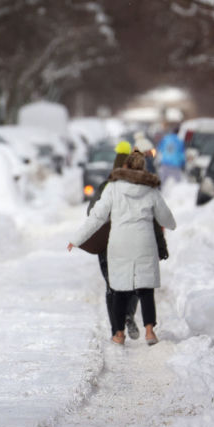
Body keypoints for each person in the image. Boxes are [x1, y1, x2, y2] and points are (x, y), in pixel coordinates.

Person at [67, 150, 176, 346]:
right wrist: (172, 224)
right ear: (142, 167)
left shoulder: (113, 188)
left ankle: (118, 334)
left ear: (125, 167)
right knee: (145, 289)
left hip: (120, 243)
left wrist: (76, 239)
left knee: (119, 288)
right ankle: (150, 331)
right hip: (144, 244)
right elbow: (166, 218)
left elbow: (97, 217)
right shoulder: (151, 190)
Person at [87, 140, 140, 340]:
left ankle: (116, 331)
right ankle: (128, 314)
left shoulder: (104, 187)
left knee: (112, 287)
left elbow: (91, 212)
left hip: (107, 244)